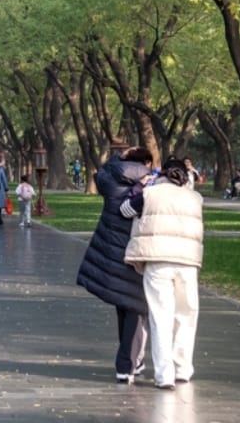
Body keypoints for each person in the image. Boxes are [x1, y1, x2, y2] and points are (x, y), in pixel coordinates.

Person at [76, 146, 154, 384]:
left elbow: (103, 171)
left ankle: (130, 361)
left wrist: (119, 156)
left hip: (111, 250)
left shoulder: (110, 180)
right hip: (135, 250)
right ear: (146, 162)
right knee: (135, 307)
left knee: (124, 304)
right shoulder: (148, 184)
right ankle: (127, 364)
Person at [124, 158, 204, 390]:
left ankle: (164, 375)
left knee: (161, 316)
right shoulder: (195, 197)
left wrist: (142, 186)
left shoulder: (149, 194)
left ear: (162, 173)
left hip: (158, 259)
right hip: (188, 260)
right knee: (186, 316)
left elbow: (125, 210)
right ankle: (183, 369)